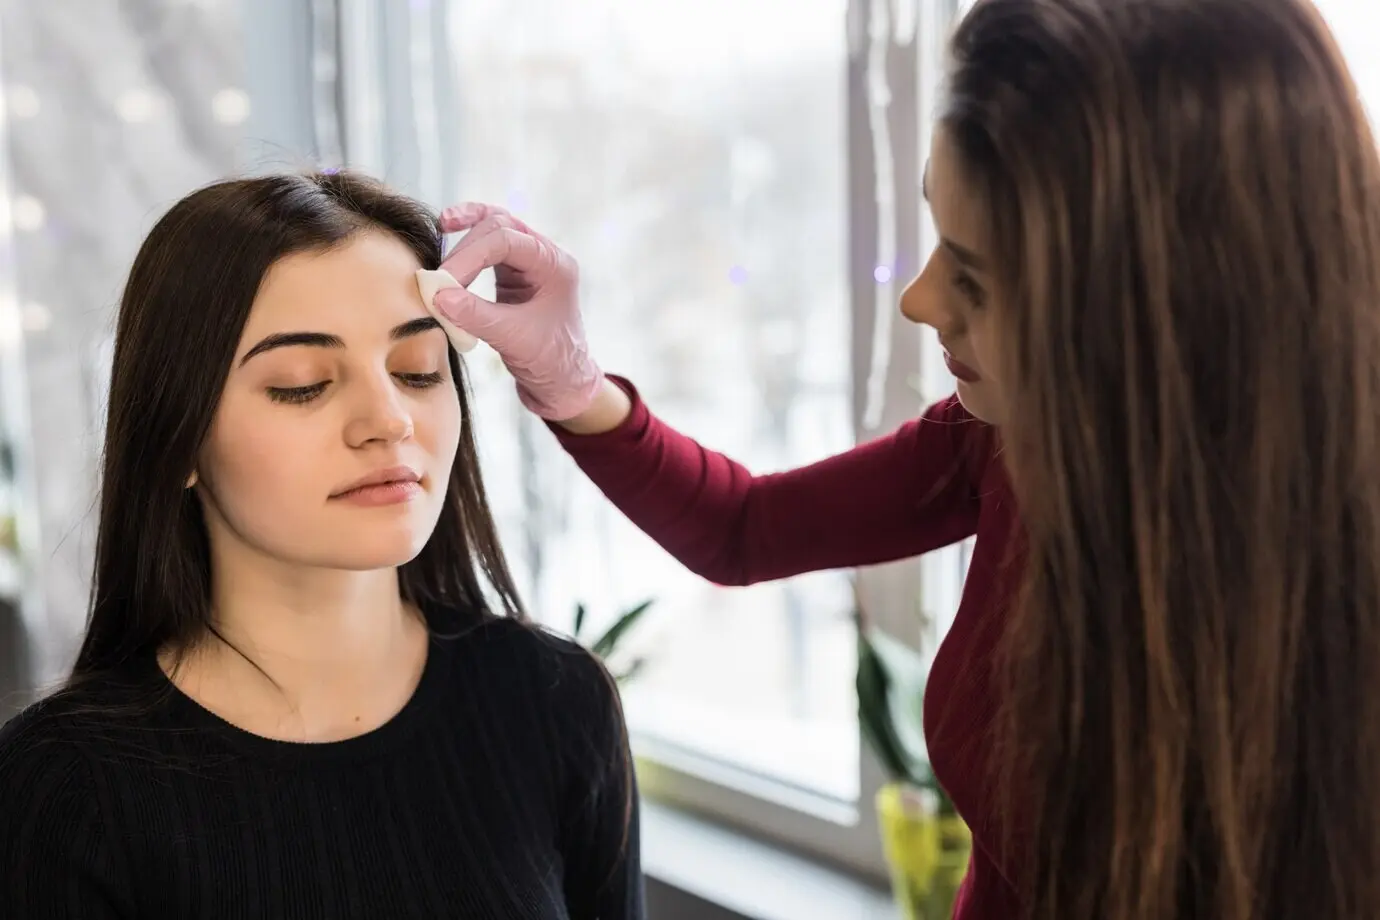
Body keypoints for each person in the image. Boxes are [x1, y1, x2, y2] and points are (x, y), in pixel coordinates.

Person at [419, 0, 1380, 918]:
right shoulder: (1008, 437)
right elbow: (744, 527)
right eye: (937, 234)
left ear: (1171, 312)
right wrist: (569, 377)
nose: (919, 300)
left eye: (976, 276)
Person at [0, 172, 643, 920]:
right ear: (177, 440)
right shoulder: (60, 790)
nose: (389, 419)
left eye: (417, 372)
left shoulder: (557, 703)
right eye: (302, 384)